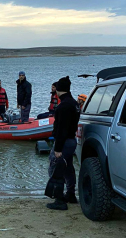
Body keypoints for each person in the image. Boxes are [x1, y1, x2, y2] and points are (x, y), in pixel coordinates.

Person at [45, 76, 80, 210]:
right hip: (71, 140)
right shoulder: (74, 103)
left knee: (55, 168)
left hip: (64, 142)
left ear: (59, 90)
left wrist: (58, 148)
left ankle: (59, 199)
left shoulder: (64, 106)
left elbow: (61, 129)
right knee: (69, 168)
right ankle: (70, 194)